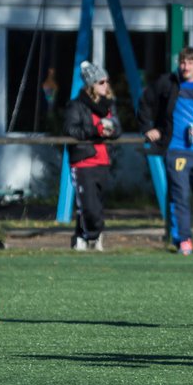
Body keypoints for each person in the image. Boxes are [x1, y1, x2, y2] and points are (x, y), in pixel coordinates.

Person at [138, 47, 193, 254]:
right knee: (179, 197)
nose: (185, 67)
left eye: (190, 63)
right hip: (176, 150)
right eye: (182, 62)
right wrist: (148, 129)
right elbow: (144, 102)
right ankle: (183, 240)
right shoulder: (166, 83)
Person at [64, 61, 118, 251]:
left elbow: (117, 127)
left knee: (95, 204)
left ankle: (81, 237)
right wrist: (95, 130)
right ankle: (93, 235)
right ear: (91, 85)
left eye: (106, 81)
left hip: (103, 161)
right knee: (89, 206)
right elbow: (71, 129)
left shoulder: (109, 105)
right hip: (83, 161)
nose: (106, 85)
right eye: (101, 82)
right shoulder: (76, 105)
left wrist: (111, 130)